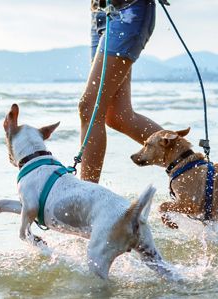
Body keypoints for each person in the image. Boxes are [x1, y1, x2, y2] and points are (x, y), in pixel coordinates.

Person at [78, 0, 164, 183]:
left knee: (90, 107)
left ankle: (84, 199)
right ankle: (195, 168)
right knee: (119, 117)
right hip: (100, 13)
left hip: (129, 10)